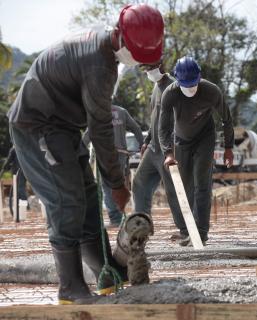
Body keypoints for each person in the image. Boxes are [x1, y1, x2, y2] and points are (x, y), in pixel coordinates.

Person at [7, 3, 165, 304]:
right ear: (119, 35)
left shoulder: (106, 49)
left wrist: (110, 184)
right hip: (37, 124)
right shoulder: (99, 65)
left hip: (63, 126)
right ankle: (70, 287)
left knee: (88, 197)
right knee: (67, 201)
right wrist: (117, 184)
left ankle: (106, 274)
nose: (136, 60)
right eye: (135, 52)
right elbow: (102, 128)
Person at [159, 56, 234, 246]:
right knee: (185, 187)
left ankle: (201, 232)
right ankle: (188, 231)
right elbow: (164, 126)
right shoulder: (170, 94)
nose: (191, 89)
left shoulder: (211, 91)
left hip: (205, 137)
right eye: (186, 85)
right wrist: (168, 152)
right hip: (182, 140)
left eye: (193, 84)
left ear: (199, 77)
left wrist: (228, 147)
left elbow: (226, 119)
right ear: (177, 80)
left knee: (202, 185)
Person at [132, 62, 186, 241]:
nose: (147, 72)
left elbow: (180, 120)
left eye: (149, 68)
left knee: (173, 190)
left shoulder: (173, 88)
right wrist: (146, 141)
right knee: (139, 183)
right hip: (153, 149)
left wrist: (173, 149)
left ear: (160, 65)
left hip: (167, 149)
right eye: (145, 69)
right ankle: (142, 228)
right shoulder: (156, 87)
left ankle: (186, 231)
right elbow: (154, 118)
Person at [83, 104, 143, 227]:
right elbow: (136, 128)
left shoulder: (96, 113)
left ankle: (116, 219)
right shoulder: (122, 111)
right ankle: (120, 216)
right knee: (118, 185)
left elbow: (87, 136)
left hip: (105, 155)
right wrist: (143, 145)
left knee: (106, 187)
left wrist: (79, 151)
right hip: (120, 154)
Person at [0, 146, 28, 216]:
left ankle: (25, 206)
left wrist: (3, 169)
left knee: (19, 188)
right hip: (25, 171)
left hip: (17, 171)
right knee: (19, 188)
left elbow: (9, 160)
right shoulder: (24, 147)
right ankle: (21, 206)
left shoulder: (14, 148)